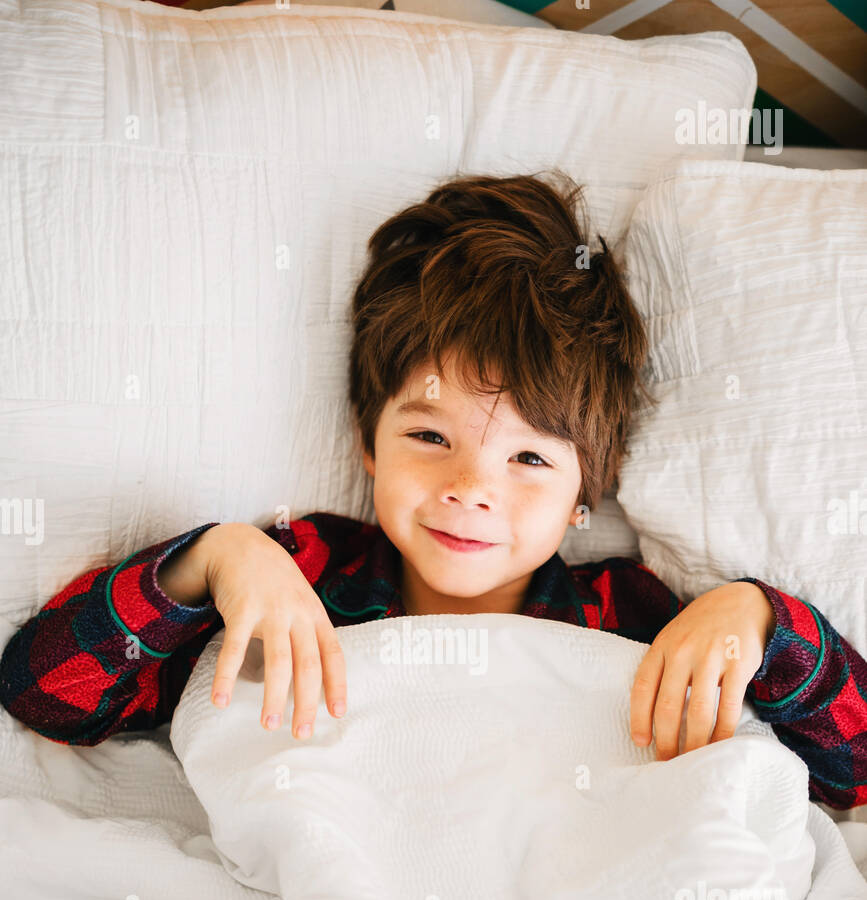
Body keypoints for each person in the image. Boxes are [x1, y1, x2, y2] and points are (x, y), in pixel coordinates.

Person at [1, 172, 865, 810]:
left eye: (528, 461)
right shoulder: (297, 576)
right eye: (428, 437)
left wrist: (758, 619)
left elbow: (853, 773)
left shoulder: (629, 618)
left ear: (583, 497)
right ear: (365, 446)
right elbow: (47, 698)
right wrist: (210, 561)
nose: (469, 489)